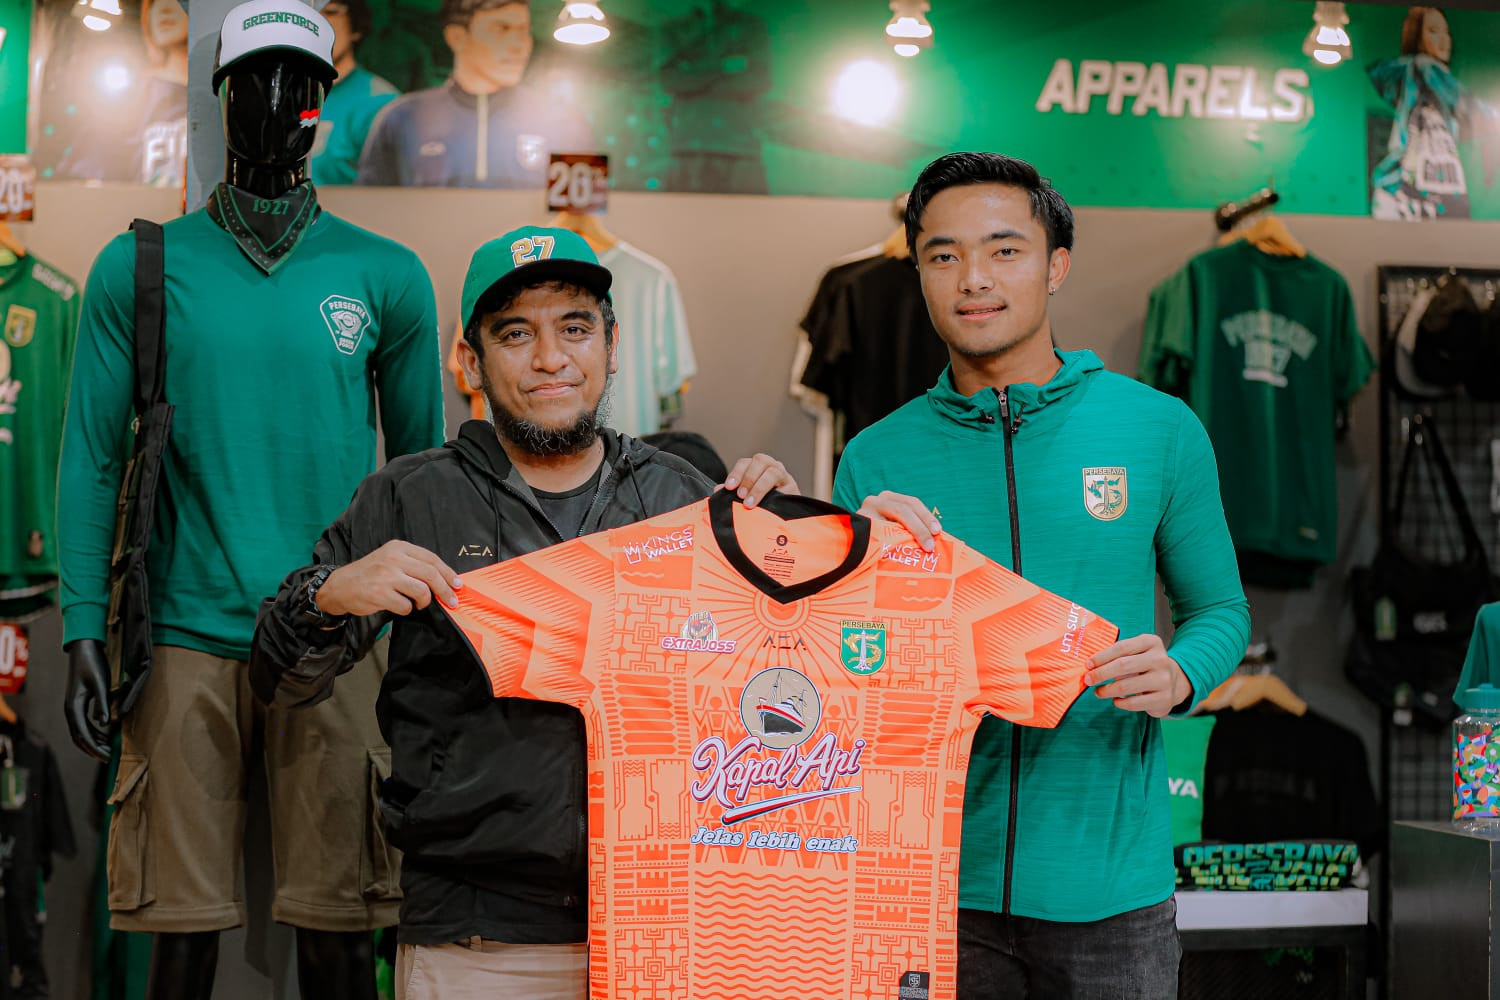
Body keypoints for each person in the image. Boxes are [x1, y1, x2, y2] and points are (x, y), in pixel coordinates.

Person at [250, 226, 822, 998]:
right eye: (516, 334)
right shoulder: (409, 496)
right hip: (475, 937)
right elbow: (282, 678)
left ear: (612, 347)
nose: (550, 358)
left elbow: (786, 692)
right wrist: (327, 596)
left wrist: (795, 542)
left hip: (666, 927)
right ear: (469, 360)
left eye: (574, 328)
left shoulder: (681, 498)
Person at [59, 0, 445, 995]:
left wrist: (419, 648)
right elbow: (90, 460)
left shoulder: (386, 275)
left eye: (300, 85)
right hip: (183, 636)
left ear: (323, 105)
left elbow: (421, 476)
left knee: (340, 933)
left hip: (338, 637)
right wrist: (83, 628)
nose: (277, 102)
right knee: (177, 936)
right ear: (221, 96)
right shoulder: (141, 267)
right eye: (255, 82)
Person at [834, 152, 1250, 998]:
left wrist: (1179, 675)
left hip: (1113, 892)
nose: (973, 279)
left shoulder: (1157, 429)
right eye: (943, 255)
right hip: (929, 890)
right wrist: (853, 576)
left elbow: (1220, 611)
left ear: (1056, 266)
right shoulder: (876, 458)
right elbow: (840, 677)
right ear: (919, 273)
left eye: (1004, 250)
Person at [355, 0, 591, 188]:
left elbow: (587, 216)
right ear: (457, 37)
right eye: (501, 29)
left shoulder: (561, 121)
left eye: (524, 30)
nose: (519, 44)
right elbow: (370, 213)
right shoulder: (402, 119)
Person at [1368, 5, 1500, 220]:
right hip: (1415, 189)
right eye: (1433, 31)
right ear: (1417, 38)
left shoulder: (1430, 84)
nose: (1443, 40)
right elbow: (1467, 105)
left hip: (1431, 190)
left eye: (1446, 33)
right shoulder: (1425, 67)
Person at [310, 0, 401, 186]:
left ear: (356, 26)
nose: (316, 23)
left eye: (330, 12)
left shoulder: (381, 104)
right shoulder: (275, 98)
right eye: (307, 13)